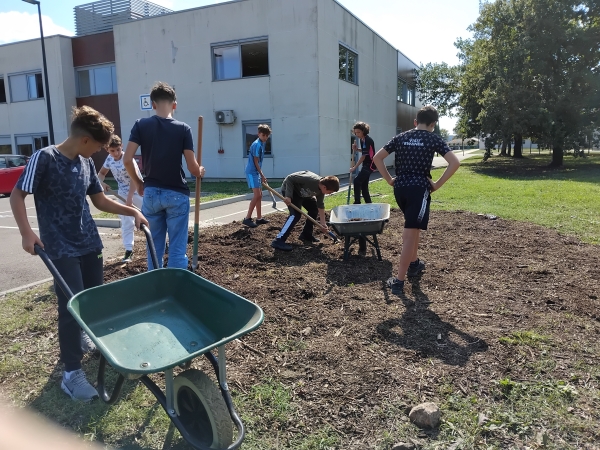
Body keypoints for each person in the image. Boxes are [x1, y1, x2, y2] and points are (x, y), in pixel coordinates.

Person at [10, 106, 148, 401]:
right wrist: (26, 233)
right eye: (99, 145)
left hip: (89, 243)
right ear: (86, 140)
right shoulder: (44, 158)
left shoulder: (85, 164)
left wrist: (131, 209)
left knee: (94, 300)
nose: (100, 151)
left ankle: (86, 337)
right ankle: (71, 374)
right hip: (59, 247)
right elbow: (17, 194)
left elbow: (99, 201)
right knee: (72, 306)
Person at [372, 106, 460, 295]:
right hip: (418, 190)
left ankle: (414, 263)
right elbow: (455, 162)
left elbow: (377, 157)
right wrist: (436, 184)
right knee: (409, 236)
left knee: (414, 228)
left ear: (415, 122)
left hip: (400, 189)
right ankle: (399, 281)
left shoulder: (400, 137)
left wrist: (389, 179)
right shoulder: (434, 138)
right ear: (433, 124)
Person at [123, 81, 205, 270]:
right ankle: (176, 287)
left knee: (154, 246)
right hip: (176, 194)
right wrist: (200, 171)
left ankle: (156, 287)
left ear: (152, 104)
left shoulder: (140, 125)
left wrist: (139, 183)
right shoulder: (183, 129)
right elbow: (193, 168)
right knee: (177, 247)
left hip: (151, 194)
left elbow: (127, 159)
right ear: (174, 104)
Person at [98, 135, 143, 262]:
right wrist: (102, 183)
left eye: (118, 149)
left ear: (121, 146)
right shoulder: (109, 159)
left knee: (151, 216)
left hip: (138, 192)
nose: (116, 153)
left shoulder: (127, 159)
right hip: (122, 193)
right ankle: (129, 250)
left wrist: (130, 198)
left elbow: (134, 179)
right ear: (107, 149)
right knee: (126, 221)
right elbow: (101, 174)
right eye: (112, 151)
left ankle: (165, 242)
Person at [270, 171, 340, 251]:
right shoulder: (310, 180)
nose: (329, 193)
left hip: (303, 194)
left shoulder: (321, 191)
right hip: (292, 191)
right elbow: (290, 178)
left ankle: (306, 234)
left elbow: (320, 205)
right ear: (324, 187)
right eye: (330, 192)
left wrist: (323, 224)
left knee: (313, 209)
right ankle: (278, 240)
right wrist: (288, 196)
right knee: (295, 215)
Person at [243, 124, 271, 228]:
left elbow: (258, 162)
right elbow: (255, 162)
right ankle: (247, 218)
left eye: (267, 136)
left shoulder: (261, 143)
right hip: (252, 172)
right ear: (259, 134)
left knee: (260, 195)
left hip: (256, 172)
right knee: (257, 195)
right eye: (263, 135)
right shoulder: (256, 145)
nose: (265, 137)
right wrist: (262, 175)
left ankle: (259, 218)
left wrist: (260, 174)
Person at [350, 121, 376, 204]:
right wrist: (357, 149)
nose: (357, 134)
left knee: (357, 181)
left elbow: (363, 156)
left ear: (363, 131)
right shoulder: (362, 140)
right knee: (364, 187)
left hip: (370, 164)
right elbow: (366, 151)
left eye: (358, 132)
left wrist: (355, 167)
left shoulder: (367, 140)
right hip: (366, 164)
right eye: (355, 132)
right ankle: (369, 204)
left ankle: (357, 202)